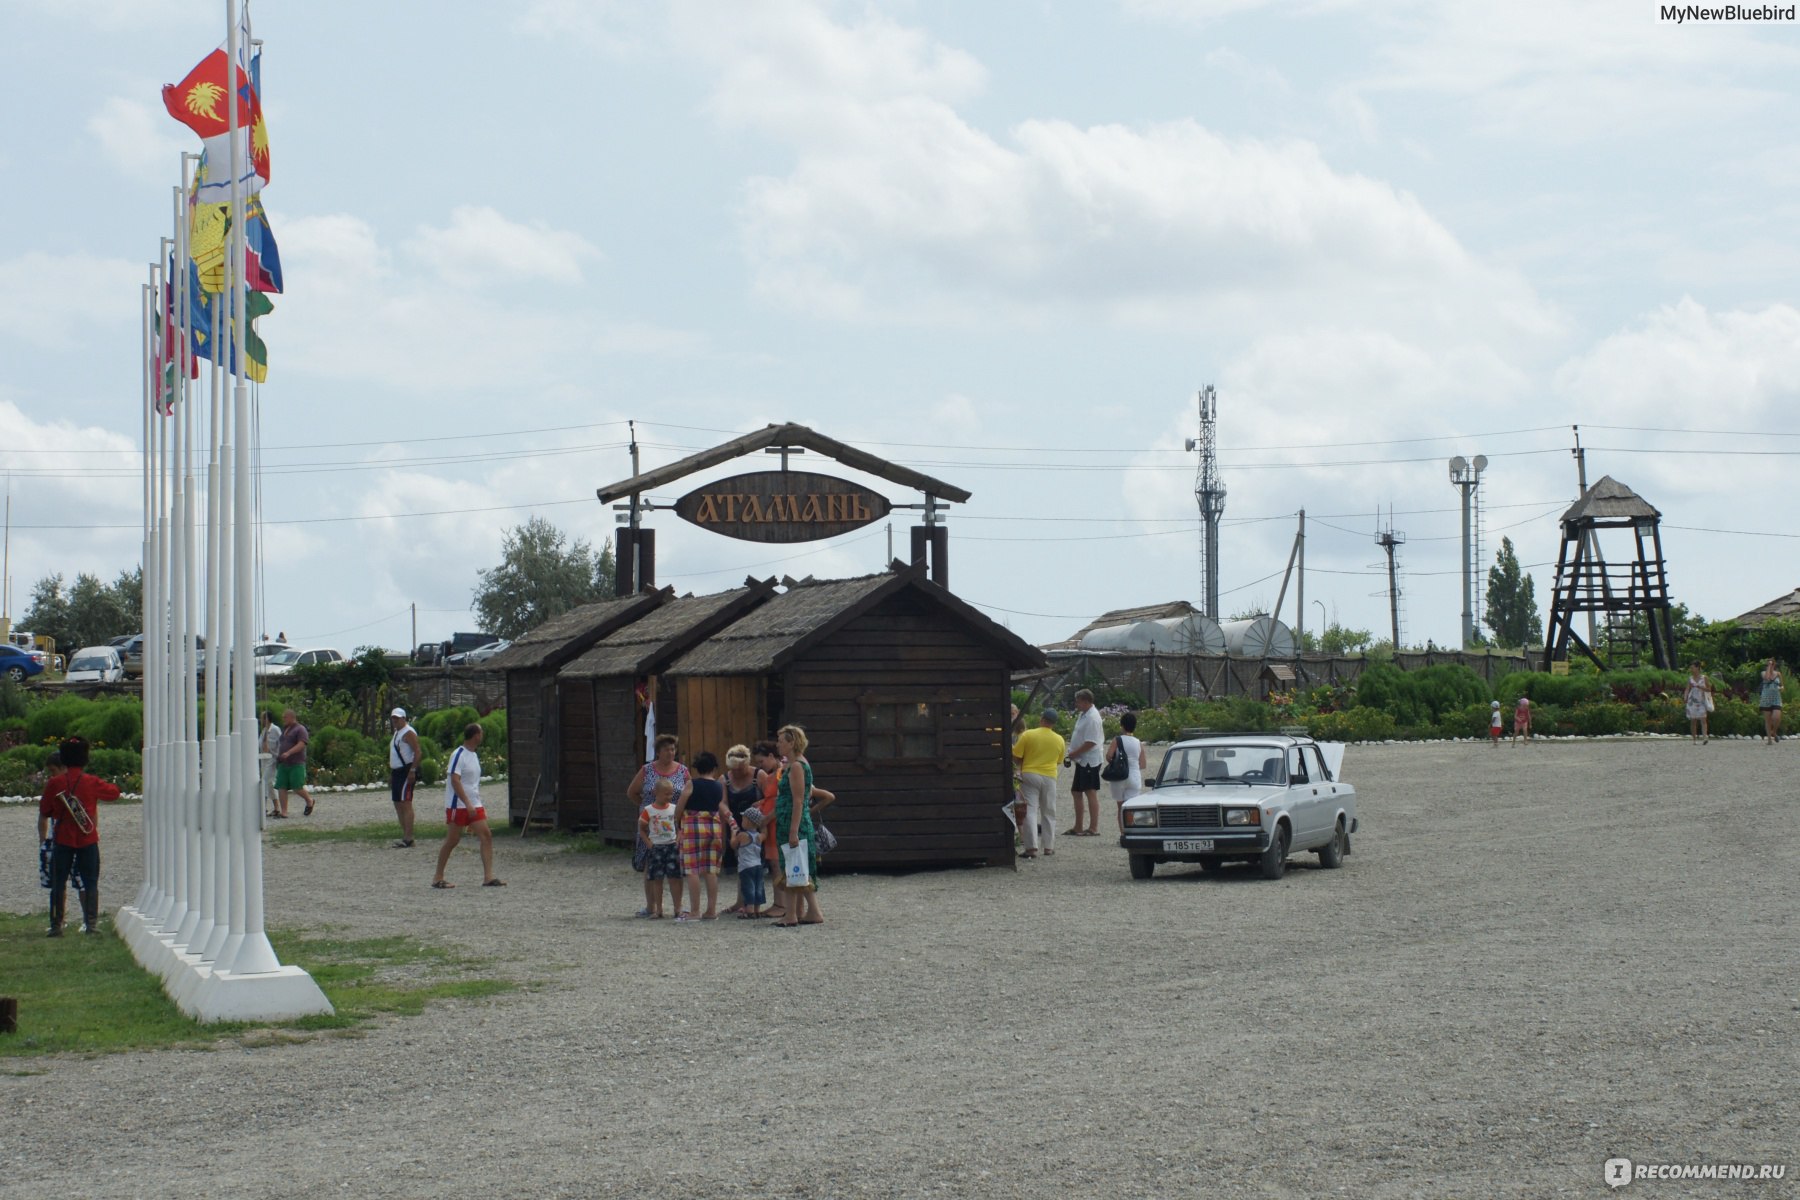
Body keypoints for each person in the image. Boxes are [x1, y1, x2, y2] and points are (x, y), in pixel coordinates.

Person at [37, 736, 121, 936]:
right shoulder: (91, 781)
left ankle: (56, 926)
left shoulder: (54, 783)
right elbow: (114, 793)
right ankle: (91, 924)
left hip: (62, 837)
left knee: (59, 882)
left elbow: (46, 809)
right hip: (87, 838)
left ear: (64, 758)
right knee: (90, 881)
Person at [626, 734, 692, 915]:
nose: (670, 753)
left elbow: (689, 793)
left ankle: (678, 907)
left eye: (673, 749)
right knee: (651, 865)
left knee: (674, 867)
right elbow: (632, 792)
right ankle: (652, 906)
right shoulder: (647, 770)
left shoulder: (683, 771)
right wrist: (646, 807)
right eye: (666, 749)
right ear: (658, 752)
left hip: (673, 825)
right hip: (651, 823)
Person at [432, 723, 504, 888]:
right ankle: (437, 877)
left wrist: (474, 804)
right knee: (452, 840)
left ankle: (488, 876)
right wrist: (467, 803)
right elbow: (455, 780)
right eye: (481, 732)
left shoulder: (474, 755)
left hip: (474, 804)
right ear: (476, 735)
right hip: (458, 805)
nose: (483, 736)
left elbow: (472, 783)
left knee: (486, 835)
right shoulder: (459, 754)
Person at [773, 724, 824, 927]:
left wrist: (793, 830)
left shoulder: (796, 766)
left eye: (781, 741)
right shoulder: (797, 764)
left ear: (792, 742)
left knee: (793, 865)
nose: (778, 745)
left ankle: (791, 914)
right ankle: (811, 911)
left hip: (794, 824)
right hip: (792, 821)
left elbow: (799, 799)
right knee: (800, 867)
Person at [674, 750, 732, 921]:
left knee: (692, 870)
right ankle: (711, 910)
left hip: (693, 827)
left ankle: (694, 911)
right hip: (713, 828)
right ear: (714, 768)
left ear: (697, 768)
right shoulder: (718, 786)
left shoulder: (692, 784)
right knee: (710, 870)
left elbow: (679, 807)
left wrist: (676, 823)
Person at [1012, 709, 1065, 860]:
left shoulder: (1029, 735)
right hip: (1049, 776)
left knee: (1031, 810)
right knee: (1049, 811)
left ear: (1041, 719)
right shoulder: (1059, 739)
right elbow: (1059, 761)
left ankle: (1031, 847)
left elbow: (1016, 756)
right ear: (1054, 723)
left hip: (1030, 774)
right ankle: (1048, 847)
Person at [722, 744, 761, 913]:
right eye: (734, 769)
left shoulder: (759, 775)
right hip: (735, 824)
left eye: (740, 769)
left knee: (754, 865)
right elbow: (721, 802)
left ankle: (752, 903)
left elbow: (770, 796)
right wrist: (728, 817)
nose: (737, 772)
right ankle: (740, 901)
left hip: (755, 824)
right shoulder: (724, 779)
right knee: (741, 864)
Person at [637, 778, 682, 917]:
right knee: (657, 880)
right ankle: (658, 909)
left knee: (674, 878)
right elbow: (642, 828)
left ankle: (677, 908)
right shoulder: (648, 810)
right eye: (666, 794)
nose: (669, 797)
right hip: (656, 847)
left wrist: (678, 840)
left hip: (671, 846)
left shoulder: (674, 808)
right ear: (656, 792)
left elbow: (681, 825)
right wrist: (649, 843)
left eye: (671, 794)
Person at [752, 740, 786, 920]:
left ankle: (782, 904)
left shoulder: (782, 773)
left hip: (775, 822)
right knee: (774, 863)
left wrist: (766, 817)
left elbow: (781, 801)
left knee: (777, 863)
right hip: (770, 822)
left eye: (761, 762)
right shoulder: (774, 774)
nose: (760, 766)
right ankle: (778, 902)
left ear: (772, 757)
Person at [1066, 689, 1104, 836]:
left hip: (1089, 760)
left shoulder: (1093, 718)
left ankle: (1093, 827)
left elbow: (1091, 742)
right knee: (1076, 791)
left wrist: (1075, 753)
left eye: (1079, 701)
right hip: (1082, 760)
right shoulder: (1084, 715)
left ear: (1086, 701)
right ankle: (1078, 826)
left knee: (1090, 791)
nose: (1077, 704)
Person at [1104, 711, 1149, 833]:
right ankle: (1133, 833)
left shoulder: (1117, 740)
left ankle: (1123, 834)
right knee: (1132, 808)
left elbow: (1108, 756)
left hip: (1119, 776)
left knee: (1121, 808)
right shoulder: (1138, 742)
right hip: (1134, 776)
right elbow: (1143, 764)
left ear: (1122, 725)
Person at [388, 706, 423, 847]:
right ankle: (405, 834)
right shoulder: (397, 733)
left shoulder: (408, 732)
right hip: (397, 771)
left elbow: (417, 751)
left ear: (404, 718)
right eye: (393, 718)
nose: (394, 721)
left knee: (406, 802)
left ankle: (409, 837)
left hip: (406, 770)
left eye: (397, 718)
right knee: (397, 803)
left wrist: (412, 770)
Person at [274, 708, 314, 818]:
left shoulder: (300, 729)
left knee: (297, 786)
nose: (283, 719)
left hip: (296, 762)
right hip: (283, 763)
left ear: (292, 717)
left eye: (285, 717)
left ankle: (309, 800)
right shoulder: (285, 730)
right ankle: (284, 812)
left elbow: (302, 744)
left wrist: (289, 752)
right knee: (281, 786)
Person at [733, 806, 769, 919]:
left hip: (746, 867)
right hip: (758, 865)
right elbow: (765, 833)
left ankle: (749, 911)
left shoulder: (742, 835)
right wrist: (763, 823)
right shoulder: (759, 836)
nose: (742, 821)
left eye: (743, 819)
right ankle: (757, 910)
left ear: (748, 821)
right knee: (758, 887)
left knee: (748, 887)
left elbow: (733, 844)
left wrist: (733, 832)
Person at [257, 709, 282, 817]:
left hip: (272, 759)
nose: (261, 720)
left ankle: (263, 807)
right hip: (263, 759)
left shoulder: (275, 729)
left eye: (262, 717)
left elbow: (281, 743)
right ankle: (277, 807)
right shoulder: (263, 731)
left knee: (264, 781)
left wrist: (279, 757)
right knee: (270, 783)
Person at [1684, 662, 1714, 744]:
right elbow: (1687, 689)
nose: (1691, 669)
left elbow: (1709, 689)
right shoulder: (1690, 678)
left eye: (1692, 667)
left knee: (1703, 719)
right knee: (1693, 721)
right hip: (1692, 701)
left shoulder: (1704, 678)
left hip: (1701, 701)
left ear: (1698, 668)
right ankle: (1694, 739)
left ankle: (1705, 737)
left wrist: (1701, 687)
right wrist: (1685, 697)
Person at [1759, 658, 1783, 745]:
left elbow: (1782, 685)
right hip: (1766, 698)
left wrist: (1781, 688)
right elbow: (1767, 678)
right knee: (1768, 719)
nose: (1771, 665)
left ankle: (1774, 732)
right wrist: (1768, 666)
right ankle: (1769, 739)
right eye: (1769, 664)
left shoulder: (1778, 674)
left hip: (1776, 698)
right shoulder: (1763, 673)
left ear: (1774, 665)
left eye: (1772, 664)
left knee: (1776, 717)